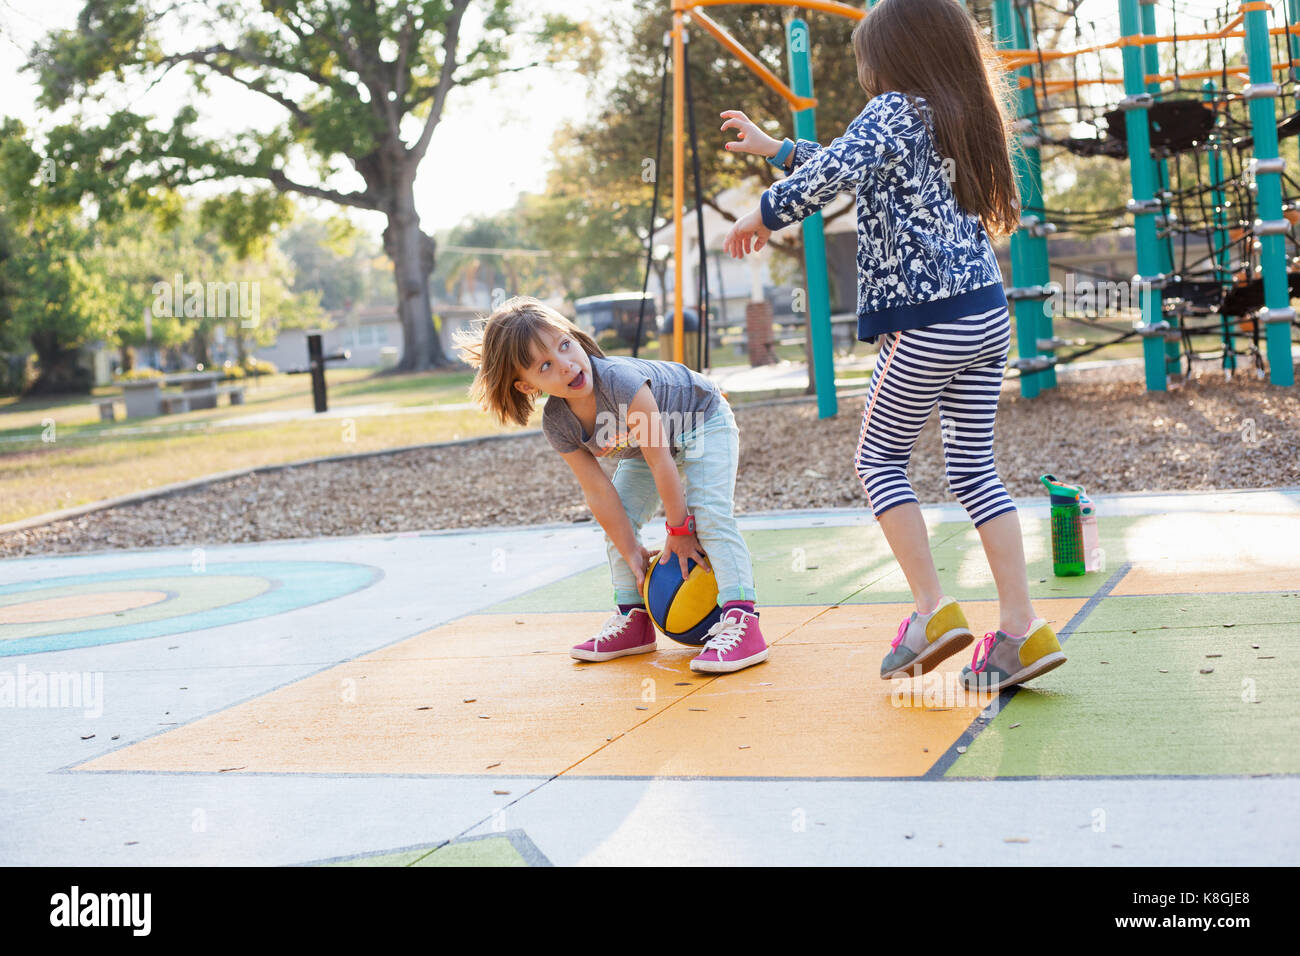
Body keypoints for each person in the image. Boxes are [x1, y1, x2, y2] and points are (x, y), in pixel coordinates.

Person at [719, 0, 1065, 691]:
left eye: (867, 58)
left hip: (926, 322)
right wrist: (778, 149)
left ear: (898, 57)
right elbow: (857, 164)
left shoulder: (892, 111)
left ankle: (933, 612)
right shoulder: (956, 115)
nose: (865, 71)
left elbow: (837, 172)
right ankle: (1022, 629)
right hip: (984, 317)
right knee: (972, 470)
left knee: (878, 460)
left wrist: (764, 207)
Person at [454, 296, 768, 674]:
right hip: (649, 450)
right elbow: (598, 492)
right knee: (617, 524)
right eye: (546, 365)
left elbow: (661, 460)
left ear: (573, 335)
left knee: (711, 517)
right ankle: (633, 618)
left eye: (564, 345)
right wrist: (632, 549)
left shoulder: (621, 384)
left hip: (702, 423)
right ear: (526, 386)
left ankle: (742, 621)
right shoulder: (558, 422)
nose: (567, 364)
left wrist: (680, 530)